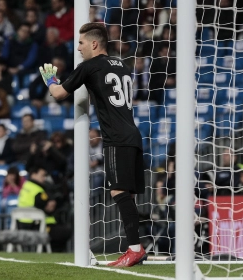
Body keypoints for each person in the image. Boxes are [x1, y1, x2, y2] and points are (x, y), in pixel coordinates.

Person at [39, 23, 146, 266]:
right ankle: (137, 246)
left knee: (119, 192)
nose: (78, 48)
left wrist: (50, 80)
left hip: (116, 138)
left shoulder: (89, 66)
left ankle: (135, 248)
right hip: (133, 133)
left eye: (81, 43)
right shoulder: (123, 66)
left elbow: (58, 94)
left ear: (94, 44)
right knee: (127, 195)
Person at [18, 166, 72, 252]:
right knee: (65, 231)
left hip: (22, 224)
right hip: (37, 225)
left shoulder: (25, 186)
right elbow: (48, 208)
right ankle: (54, 254)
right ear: (34, 174)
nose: (44, 178)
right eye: (42, 175)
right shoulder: (38, 190)